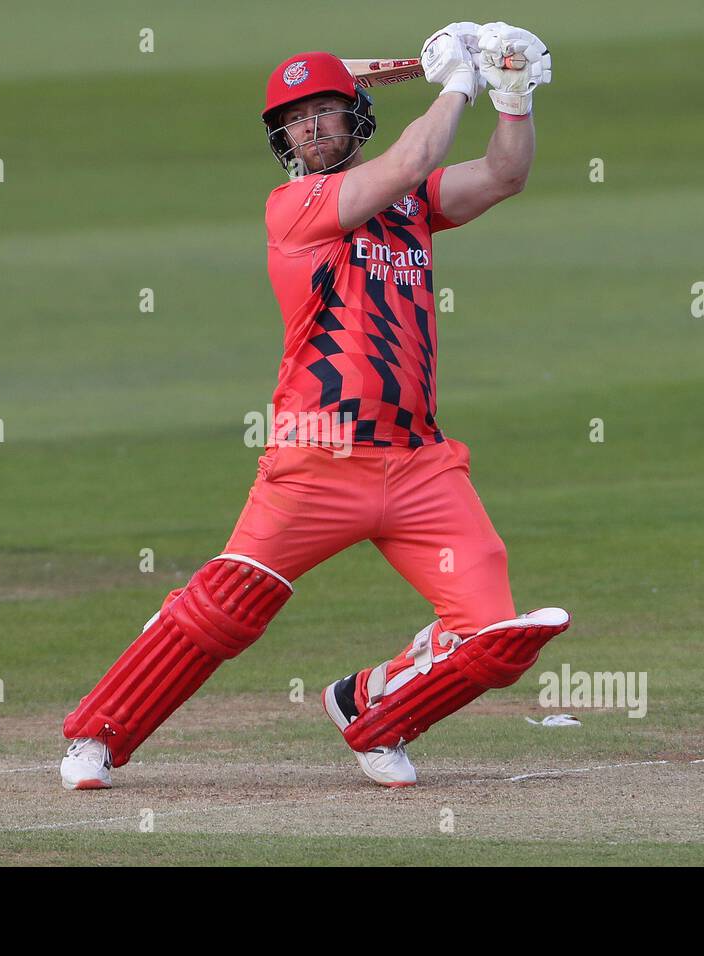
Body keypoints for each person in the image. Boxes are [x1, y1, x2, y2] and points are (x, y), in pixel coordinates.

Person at [61, 22, 569, 790]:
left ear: (353, 114)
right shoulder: (295, 206)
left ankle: (372, 710)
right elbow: (412, 156)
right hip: (315, 456)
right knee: (226, 608)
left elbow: (503, 176)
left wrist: (510, 93)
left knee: (494, 636)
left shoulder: (413, 207)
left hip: (421, 462)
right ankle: (95, 737)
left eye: (323, 111)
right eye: (294, 120)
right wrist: (455, 82)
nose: (308, 127)